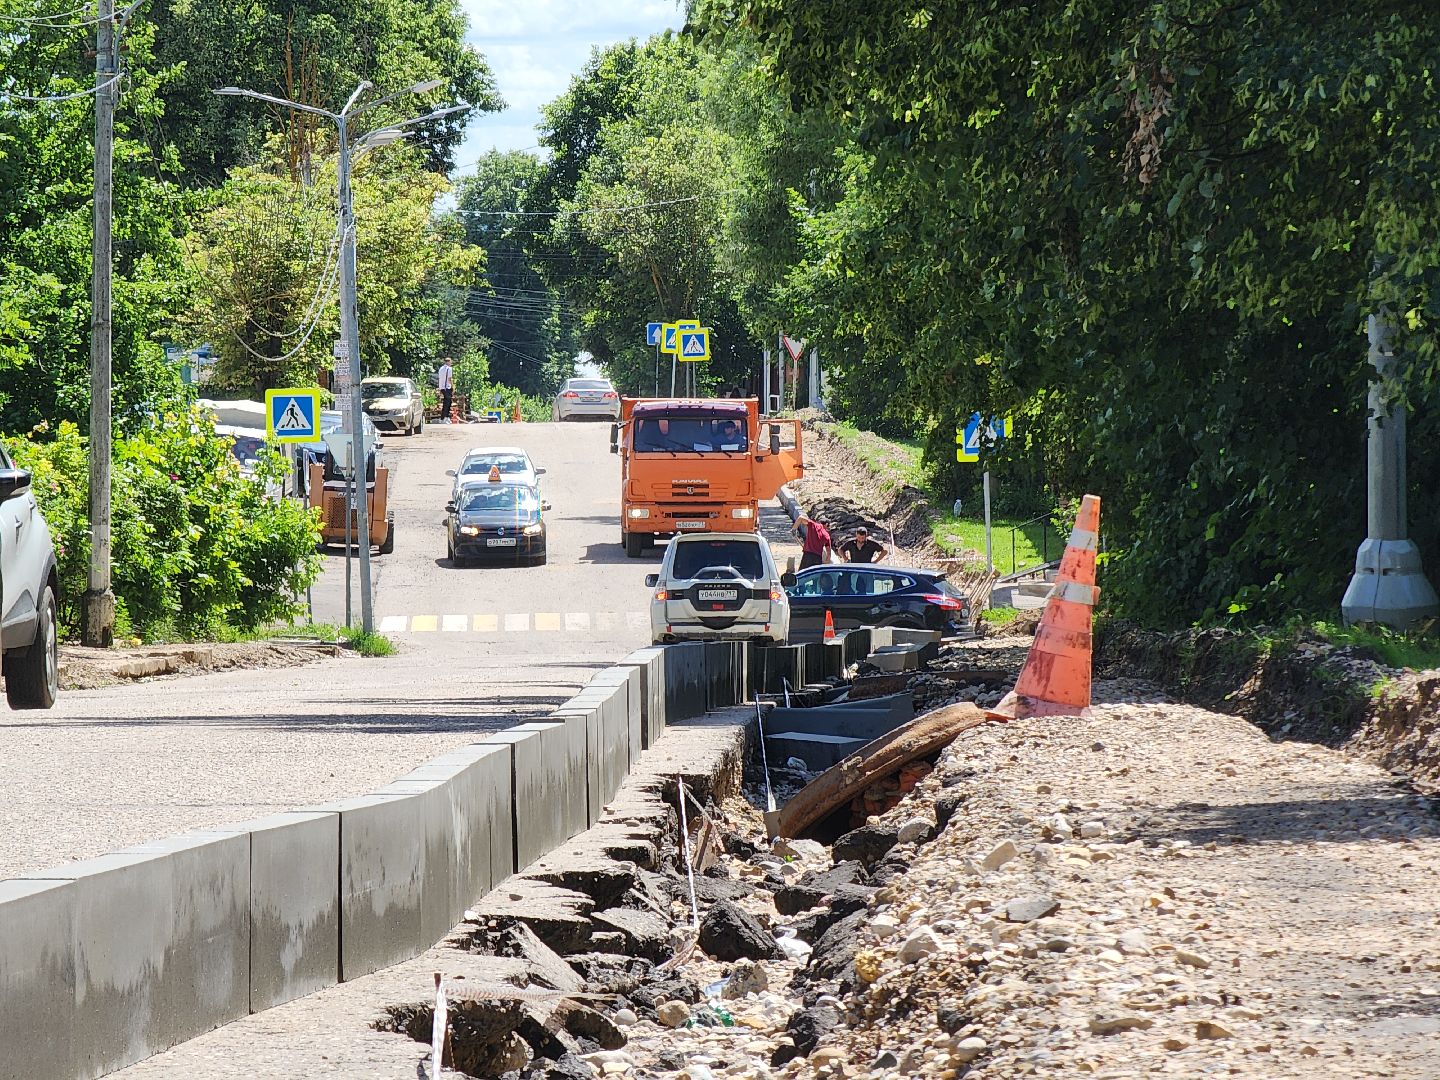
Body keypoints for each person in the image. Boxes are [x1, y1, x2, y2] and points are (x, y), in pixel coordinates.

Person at [437, 357, 454, 423]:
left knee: (446, 402)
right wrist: (453, 387)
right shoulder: (449, 369)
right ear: (448, 362)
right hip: (447, 387)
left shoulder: (441, 369)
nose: (451, 363)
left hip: (442, 387)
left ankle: (444, 417)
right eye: (450, 362)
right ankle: (444, 418)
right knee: (448, 403)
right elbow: (450, 379)